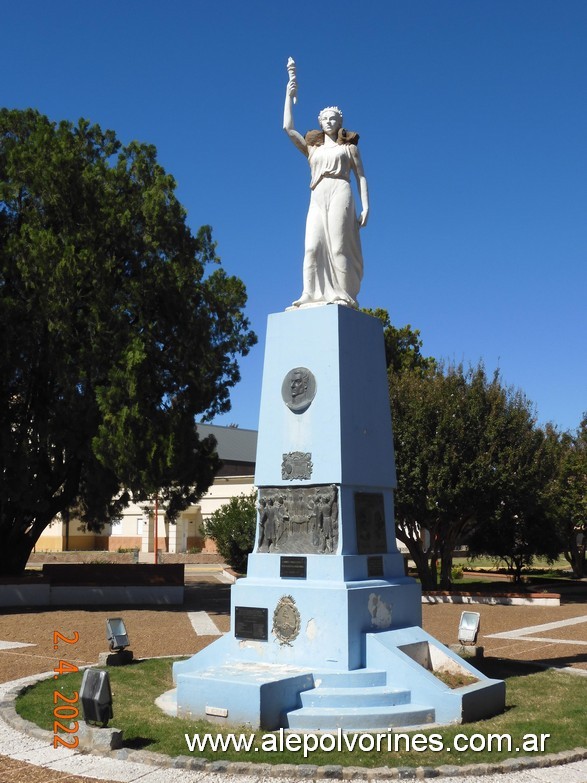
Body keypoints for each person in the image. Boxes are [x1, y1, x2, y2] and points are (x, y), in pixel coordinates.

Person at [283, 61, 369, 308]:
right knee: (312, 247)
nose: (329, 121)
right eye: (325, 118)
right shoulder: (313, 148)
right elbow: (288, 128)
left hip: (341, 190)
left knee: (338, 246)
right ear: (320, 122)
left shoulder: (348, 148)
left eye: (334, 118)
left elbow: (361, 177)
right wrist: (289, 96)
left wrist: (366, 207)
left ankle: (342, 294)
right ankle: (309, 293)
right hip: (317, 194)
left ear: (339, 122)